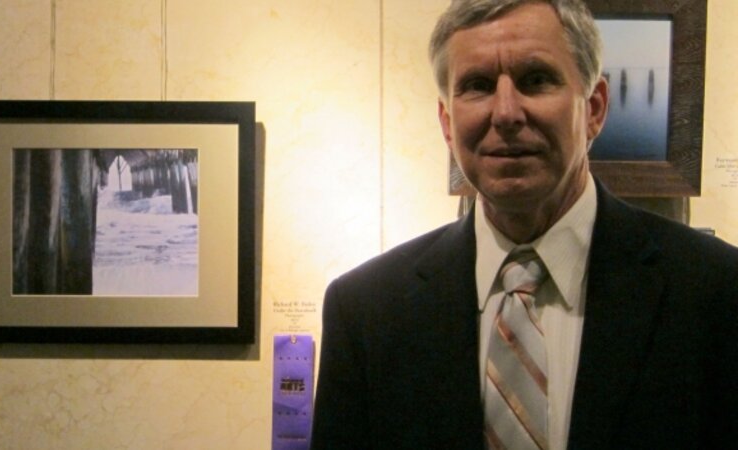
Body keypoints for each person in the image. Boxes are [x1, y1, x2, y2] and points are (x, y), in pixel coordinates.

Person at [311, 0, 738, 449]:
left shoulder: (715, 293)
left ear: (594, 108)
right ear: (447, 123)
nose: (506, 113)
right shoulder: (367, 312)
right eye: (477, 86)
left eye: (536, 80)